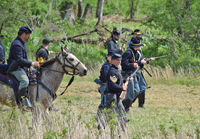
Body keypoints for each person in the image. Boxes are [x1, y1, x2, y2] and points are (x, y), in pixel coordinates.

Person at [7, 26, 40, 108]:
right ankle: (21, 101)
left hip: (20, 67)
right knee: (25, 81)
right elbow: (19, 60)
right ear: (24, 34)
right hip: (15, 68)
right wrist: (32, 63)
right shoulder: (16, 44)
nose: (29, 36)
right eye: (28, 34)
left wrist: (29, 67)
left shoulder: (21, 42)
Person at [121, 36, 155, 112]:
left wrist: (148, 60)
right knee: (130, 92)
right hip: (128, 74)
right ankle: (125, 108)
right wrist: (134, 64)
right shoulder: (128, 52)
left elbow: (139, 62)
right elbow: (124, 64)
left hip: (134, 73)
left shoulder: (136, 53)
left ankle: (123, 105)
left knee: (136, 90)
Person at [105, 53, 132, 128]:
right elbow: (112, 85)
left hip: (116, 95)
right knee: (109, 114)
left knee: (120, 111)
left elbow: (117, 82)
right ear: (112, 60)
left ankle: (122, 125)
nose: (119, 62)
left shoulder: (116, 70)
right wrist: (122, 88)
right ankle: (101, 128)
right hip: (112, 96)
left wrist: (125, 81)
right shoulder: (112, 71)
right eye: (117, 60)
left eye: (120, 60)